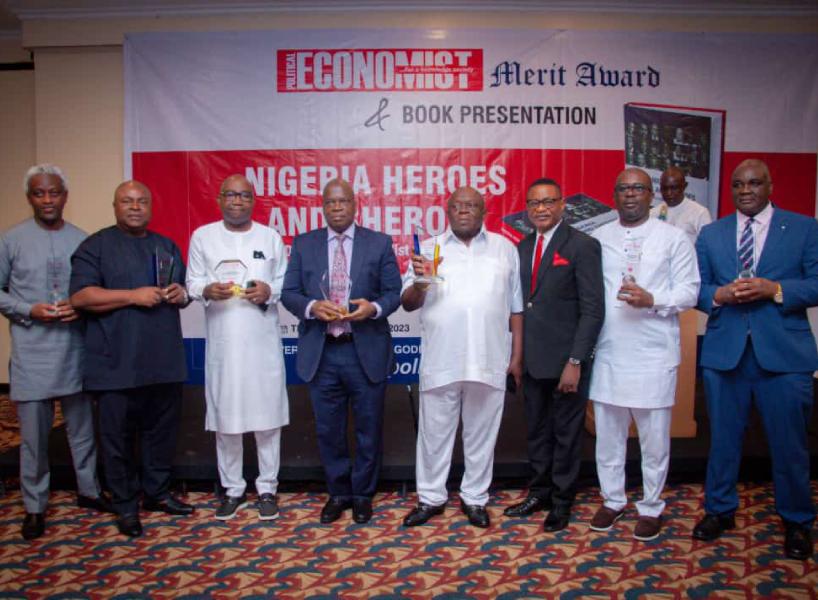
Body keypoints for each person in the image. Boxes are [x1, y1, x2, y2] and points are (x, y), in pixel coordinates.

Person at [692, 159, 818, 561]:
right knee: (723, 441)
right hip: (725, 353)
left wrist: (774, 288)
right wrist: (719, 296)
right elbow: (695, 287)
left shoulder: (803, 228)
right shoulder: (711, 235)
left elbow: (816, 283)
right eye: (738, 184)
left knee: (790, 445)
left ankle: (797, 520)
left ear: (769, 185)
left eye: (754, 183)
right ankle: (720, 510)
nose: (746, 190)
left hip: (784, 356)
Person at [69, 180, 193, 538]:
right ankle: (124, 505)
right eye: (127, 201)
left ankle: (156, 493)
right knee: (117, 440)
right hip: (115, 365)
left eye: (142, 201)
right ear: (115, 206)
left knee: (161, 435)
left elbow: (181, 293)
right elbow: (80, 297)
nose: (135, 207)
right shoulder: (95, 247)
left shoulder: (165, 245)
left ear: (150, 206)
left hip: (163, 361)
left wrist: (180, 293)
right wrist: (131, 296)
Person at [0, 164, 112, 540]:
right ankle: (35, 506)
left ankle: (89, 491)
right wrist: (25, 309)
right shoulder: (11, 240)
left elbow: (94, 289)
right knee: (33, 438)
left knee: (82, 430)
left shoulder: (83, 240)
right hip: (32, 352)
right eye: (39, 193)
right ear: (29, 197)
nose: (47, 200)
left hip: (74, 348)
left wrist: (78, 306)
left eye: (54, 193)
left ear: (65, 196)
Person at [401, 186, 523, 529]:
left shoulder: (505, 249)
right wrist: (422, 282)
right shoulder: (427, 249)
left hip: (490, 357)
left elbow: (516, 307)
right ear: (448, 211)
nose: (464, 211)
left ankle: (475, 498)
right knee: (434, 434)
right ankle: (431, 498)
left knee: (482, 434)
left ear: (483, 212)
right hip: (442, 357)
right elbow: (408, 302)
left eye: (471, 206)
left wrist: (517, 356)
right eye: (457, 206)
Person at [588, 167, 699, 541]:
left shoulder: (673, 238)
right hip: (608, 351)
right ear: (614, 195)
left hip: (653, 353)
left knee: (653, 438)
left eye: (638, 188)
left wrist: (654, 300)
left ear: (651, 195)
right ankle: (613, 499)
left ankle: (651, 506)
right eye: (624, 189)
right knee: (608, 434)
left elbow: (690, 292)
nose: (631, 194)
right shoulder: (598, 238)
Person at [281, 178, 401, 524]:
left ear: (355, 204)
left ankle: (363, 495)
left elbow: (394, 292)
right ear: (323, 206)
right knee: (328, 430)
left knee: (369, 428)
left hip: (364, 350)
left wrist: (373, 308)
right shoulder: (304, 244)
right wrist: (311, 307)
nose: (337, 208)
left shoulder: (378, 243)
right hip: (323, 352)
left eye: (343, 202)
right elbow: (289, 292)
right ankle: (338, 493)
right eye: (330, 202)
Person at [187, 174, 289, 521]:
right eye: (230, 195)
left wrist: (268, 291)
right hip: (224, 345)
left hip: (261, 343)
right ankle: (232, 489)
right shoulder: (203, 236)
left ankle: (267, 489)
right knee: (226, 419)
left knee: (267, 420)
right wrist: (207, 290)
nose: (237, 201)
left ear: (253, 200)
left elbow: (284, 283)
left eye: (244, 195)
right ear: (219, 199)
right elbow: (191, 281)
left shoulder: (270, 237)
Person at [504, 178, 604, 532]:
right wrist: (516, 358)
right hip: (532, 361)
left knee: (566, 435)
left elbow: (593, 310)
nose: (540, 209)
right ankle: (540, 491)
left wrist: (576, 361)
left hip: (566, 364)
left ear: (563, 205)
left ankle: (562, 502)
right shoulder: (522, 247)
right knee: (537, 432)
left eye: (548, 202)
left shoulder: (583, 245)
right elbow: (521, 306)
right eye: (533, 203)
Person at [650, 166, 712, 244]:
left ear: (684, 186)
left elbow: (708, 245)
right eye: (665, 188)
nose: (669, 193)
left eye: (674, 188)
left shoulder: (700, 213)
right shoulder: (653, 213)